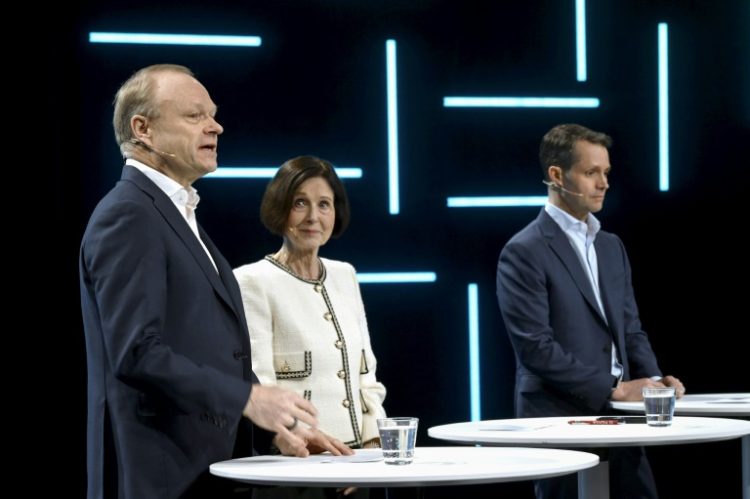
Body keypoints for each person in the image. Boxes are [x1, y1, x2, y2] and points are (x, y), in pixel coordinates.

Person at [80, 65, 349, 499]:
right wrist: (249, 398)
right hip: (158, 479)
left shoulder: (175, 213)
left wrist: (274, 432)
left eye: (213, 114)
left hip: (206, 471)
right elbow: (136, 352)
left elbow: (205, 349)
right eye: (195, 116)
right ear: (143, 129)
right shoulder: (128, 215)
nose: (216, 126)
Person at [496, 123, 685, 499]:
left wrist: (654, 383)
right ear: (556, 175)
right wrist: (614, 388)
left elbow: (630, 329)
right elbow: (535, 348)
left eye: (606, 173)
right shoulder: (524, 250)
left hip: (623, 420)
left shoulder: (611, 246)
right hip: (559, 417)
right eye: (591, 172)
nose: (604, 183)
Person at [234, 155, 387, 454]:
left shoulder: (345, 275)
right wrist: (294, 436)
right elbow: (260, 382)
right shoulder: (253, 281)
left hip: (358, 460)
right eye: (300, 203)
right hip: (296, 459)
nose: (313, 217)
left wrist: (371, 444)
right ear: (280, 209)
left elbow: (366, 373)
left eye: (324, 204)